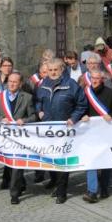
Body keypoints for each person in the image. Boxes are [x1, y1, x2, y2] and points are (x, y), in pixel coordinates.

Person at [36, 58, 87, 204]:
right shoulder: (43, 84)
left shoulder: (71, 84)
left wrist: (74, 117)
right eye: (50, 70)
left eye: (55, 70)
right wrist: (39, 111)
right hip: (48, 128)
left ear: (62, 69)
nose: (52, 72)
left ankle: (61, 192)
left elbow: (81, 104)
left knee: (63, 160)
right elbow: (38, 100)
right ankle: (54, 182)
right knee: (51, 158)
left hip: (65, 130)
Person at [0, 71, 37, 204]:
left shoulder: (27, 97)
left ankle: (14, 194)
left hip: (20, 137)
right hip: (5, 138)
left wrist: (25, 120)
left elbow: (34, 117)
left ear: (20, 83)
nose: (12, 84)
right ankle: (20, 184)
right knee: (10, 165)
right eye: (10, 81)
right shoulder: (0, 97)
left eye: (15, 82)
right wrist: (1, 119)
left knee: (17, 164)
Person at [81, 69, 112, 203]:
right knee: (91, 161)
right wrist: (82, 116)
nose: (95, 80)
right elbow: (80, 108)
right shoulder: (85, 94)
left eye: (97, 78)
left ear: (102, 79)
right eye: (93, 78)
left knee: (105, 163)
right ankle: (92, 191)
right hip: (90, 134)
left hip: (106, 133)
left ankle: (104, 188)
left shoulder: (111, 93)